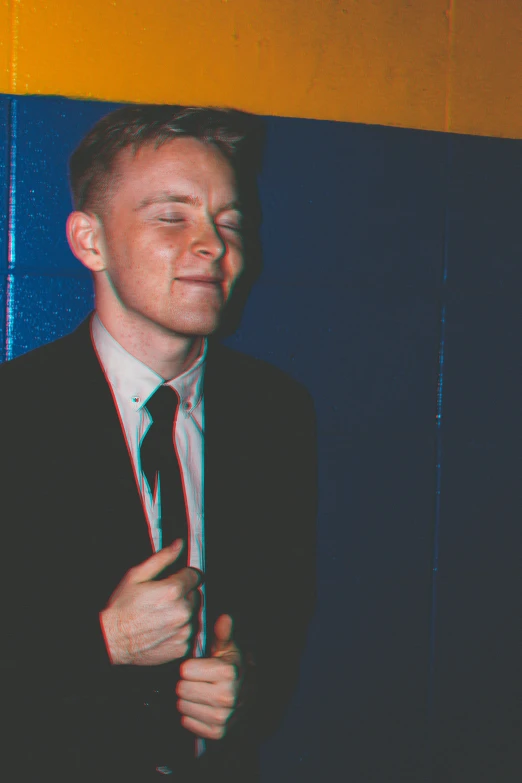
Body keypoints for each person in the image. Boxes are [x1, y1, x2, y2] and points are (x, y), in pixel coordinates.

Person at [0, 105, 317, 782]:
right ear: (90, 241)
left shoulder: (276, 415)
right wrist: (103, 642)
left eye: (228, 220)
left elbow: (283, 619)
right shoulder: (13, 415)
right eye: (172, 215)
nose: (212, 244)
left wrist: (246, 683)